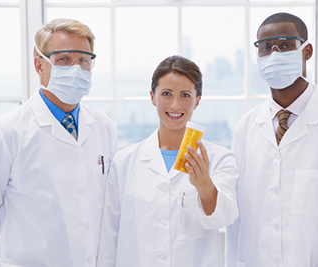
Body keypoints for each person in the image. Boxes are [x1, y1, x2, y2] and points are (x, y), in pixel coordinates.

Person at [225, 12, 318, 267]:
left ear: (307, 51)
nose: (274, 55)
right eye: (265, 48)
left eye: (285, 45)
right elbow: (237, 216)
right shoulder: (246, 128)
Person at [0, 18, 118, 266]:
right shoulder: (4, 133)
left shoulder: (103, 127)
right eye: (64, 59)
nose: (76, 68)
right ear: (39, 64)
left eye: (84, 60)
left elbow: (109, 211)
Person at [97, 55, 239, 267]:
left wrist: (204, 186)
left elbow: (223, 218)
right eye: (166, 94)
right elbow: (109, 236)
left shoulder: (220, 159)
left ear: (197, 100)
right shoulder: (124, 162)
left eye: (184, 95)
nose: (175, 104)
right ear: (152, 97)